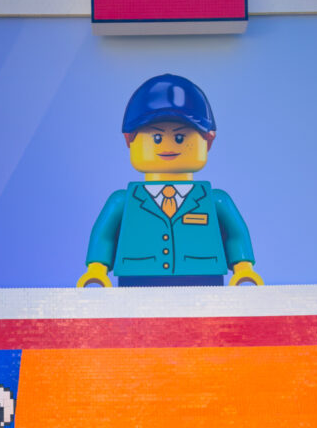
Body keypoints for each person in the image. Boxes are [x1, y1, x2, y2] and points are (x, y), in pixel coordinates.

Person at [77, 73, 262, 288]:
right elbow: (104, 235)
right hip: (136, 286)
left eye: (181, 137)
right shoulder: (122, 201)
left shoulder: (215, 200)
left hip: (204, 285)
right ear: (129, 140)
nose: (168, 146)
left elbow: (235, 234)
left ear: (208, 141)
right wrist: (97, 270)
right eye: (156, 138)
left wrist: (243, 269)